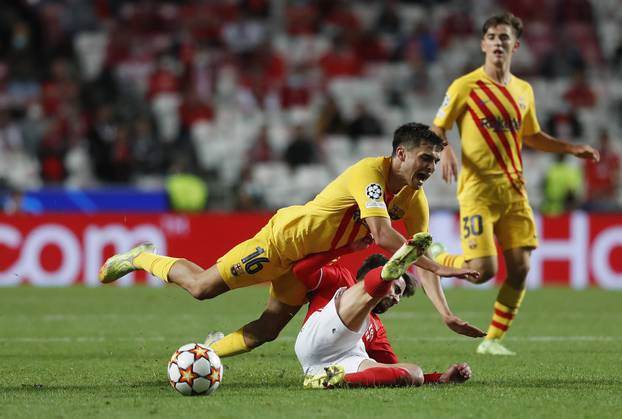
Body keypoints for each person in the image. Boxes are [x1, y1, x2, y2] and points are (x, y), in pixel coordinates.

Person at [99, 122, 477, 359]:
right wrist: (441, 266)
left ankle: (206, 354)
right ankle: (142, 257)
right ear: (400, 154)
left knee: (267, 330)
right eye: (425, 158)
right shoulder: (369, 173)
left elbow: (414, 256)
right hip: (281, 244)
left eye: (434, 160)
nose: (430, 167)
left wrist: (445, 313)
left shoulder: (415, 200)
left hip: (310, 264)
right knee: (201, 288)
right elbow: (382, 235)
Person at [429, 13, 600, 356]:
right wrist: (445, 151)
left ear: (515, 45)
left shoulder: (524, 90)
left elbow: (532, 135)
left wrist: (570, 147)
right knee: (483, 270)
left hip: (515, 191)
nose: (497, 42)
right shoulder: (465, 86)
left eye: (504, 37)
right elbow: (438, 128)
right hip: (478, 190)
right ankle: (435, 255)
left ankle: (492, 340)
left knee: (521, 269)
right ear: (482, 44)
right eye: (491, 36)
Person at [293, 233, 476, 389]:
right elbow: (300, 271)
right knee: (359, 295)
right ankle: (383, 277)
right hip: (317, 340)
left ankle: (329, 381)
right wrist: (346, 248)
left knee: (414, 373)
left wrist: (441, 378)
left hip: (339, 365)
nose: (397, 299)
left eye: (399, 295)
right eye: (396, 289)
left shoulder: (377, 329)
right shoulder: (340, 278)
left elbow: (393, 371)